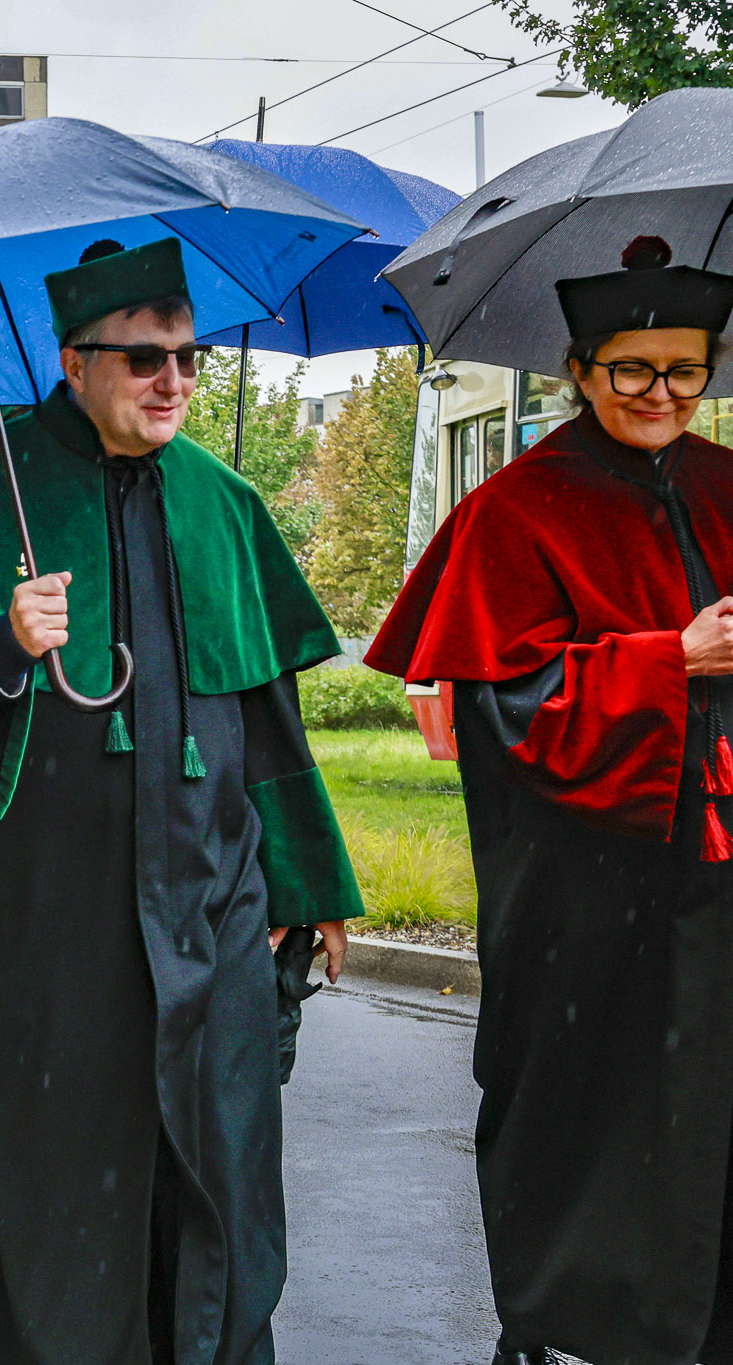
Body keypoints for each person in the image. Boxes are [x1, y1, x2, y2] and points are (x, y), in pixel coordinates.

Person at [0, 236, 365, 1364]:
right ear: (74, 362)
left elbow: (266, 717)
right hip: (35, 917)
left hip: (205, 904)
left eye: (188, 358)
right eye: (143, 359)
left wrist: (310, 880)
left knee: (214, 1162)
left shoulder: (221, 500)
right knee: (50, 1175)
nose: (172, 381)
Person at [368, 235, 733, 1365]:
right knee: (586, 1096)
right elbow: (505, 708)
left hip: (718, 876)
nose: (661, 393)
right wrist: (669, 658)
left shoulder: (726, 486)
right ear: (579, 370)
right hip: (587, 891)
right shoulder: (515, 509)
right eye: (632, 370)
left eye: (686, 370)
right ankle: (565, 1320)